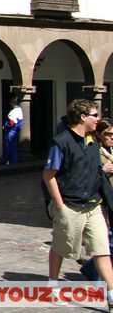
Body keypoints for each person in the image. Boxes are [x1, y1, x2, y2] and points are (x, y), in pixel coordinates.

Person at [43, 99, 113, 308]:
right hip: (70, 206)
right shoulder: (61, 142)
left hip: (92, 206)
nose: (98, 119)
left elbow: (96, 171)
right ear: (83, 117)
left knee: (102, 249)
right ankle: (52, 285)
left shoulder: (92, 141)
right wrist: (60, 206)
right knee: (62, 247)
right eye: (95, 115)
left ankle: (111, 293)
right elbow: (49, 175)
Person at [81, 118, 113, 281]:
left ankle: (91, 269)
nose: (112, 137)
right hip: (102, 200)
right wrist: (103, 170)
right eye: (108, 134)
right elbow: (87, 175)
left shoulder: (110, 150)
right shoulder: (94, 150)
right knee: (108, 241)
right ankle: (97, 275)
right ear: (100, 135)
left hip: (111, 198)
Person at [0, 98, 23, 165]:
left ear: (14, 103)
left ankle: (4, 161)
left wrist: (5, 126)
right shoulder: (20, 110)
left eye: (11, 102)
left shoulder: (14, 111)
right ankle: (13, 161)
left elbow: (12, 122)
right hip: (16, 130)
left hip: (11, 130)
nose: (10, 104)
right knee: (13, 147)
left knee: (8, 146)